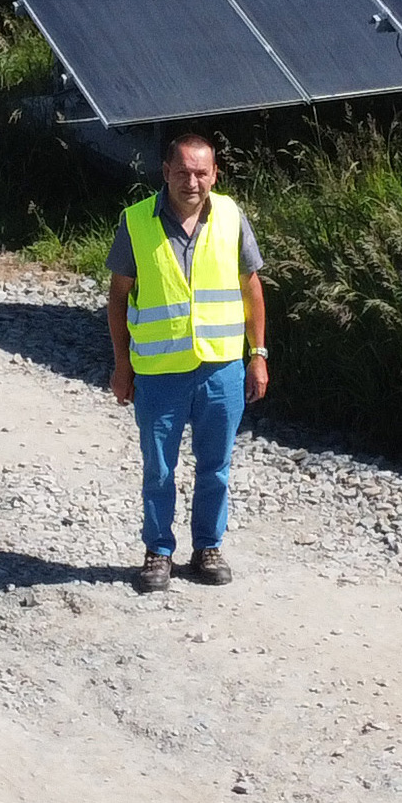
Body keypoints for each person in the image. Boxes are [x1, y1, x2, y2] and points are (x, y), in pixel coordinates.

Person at [107, 130, 269, 593]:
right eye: (183, 172)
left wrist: (257, 355)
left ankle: (208, 547)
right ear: (166, 173)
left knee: (215, 465)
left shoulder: (232, 216)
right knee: (159, 468)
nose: (192, 182)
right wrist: (123, 364)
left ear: (215, 174)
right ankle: (158, 552)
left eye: (201, 173)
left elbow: (251, 289)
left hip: (221, 369)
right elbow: (118, 299)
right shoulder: (136, 221)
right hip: (159, 374)